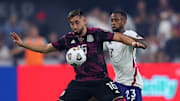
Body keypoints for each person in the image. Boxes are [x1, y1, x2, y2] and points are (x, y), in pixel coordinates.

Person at [11, 9, 146, 101]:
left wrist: (133, 43)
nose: (74, 26)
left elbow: (119, 37)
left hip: (101, 81)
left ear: (84, 21)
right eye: (71, 24)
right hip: (80, 82)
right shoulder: (68, 39)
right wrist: (23, 44)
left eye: (77, 22)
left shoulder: (96, 33)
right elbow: (46, 48)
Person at [103, 11, 147, 101]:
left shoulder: (129, 34)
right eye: (112, 20)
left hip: (132, 84)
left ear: (124, 22)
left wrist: (128, 40)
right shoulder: (109, 39)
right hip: (118, 83)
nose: (113, 23)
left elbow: (144, 44)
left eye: (116, 20)